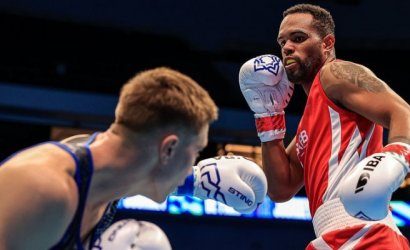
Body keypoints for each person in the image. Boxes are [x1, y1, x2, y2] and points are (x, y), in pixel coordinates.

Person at [0, 67, 268, 249]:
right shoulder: (45, 189)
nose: (195, 162)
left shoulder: (102, 175)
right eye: (196, 152)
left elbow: (138, 167)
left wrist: (198, 181)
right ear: (169, 149)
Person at [239, 3, 410, 250]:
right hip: (329, 238)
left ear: (327, 43)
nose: (287, 48)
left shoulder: (335, 73)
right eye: (282, 42)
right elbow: (280, 188)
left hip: (366, 233)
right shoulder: (311, 117)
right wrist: (268, 116)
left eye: (298, 38)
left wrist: (396, 160)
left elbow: (409, 118)